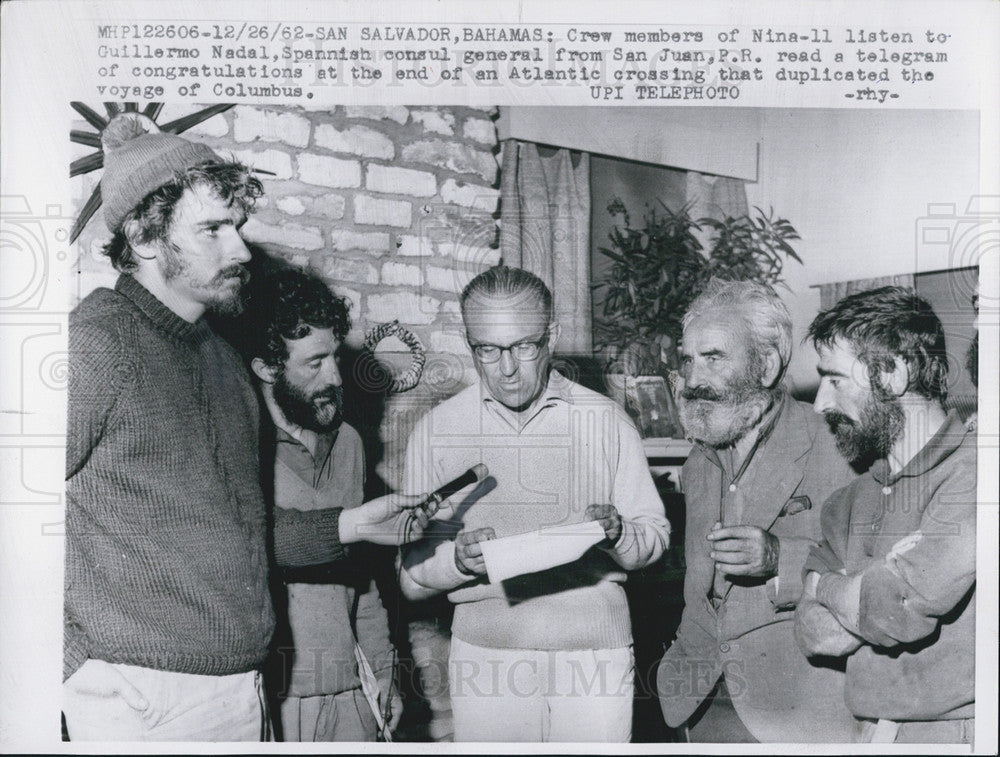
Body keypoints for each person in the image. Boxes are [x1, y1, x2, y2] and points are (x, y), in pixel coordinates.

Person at [63, 114, 439, 741]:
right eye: (212, 228)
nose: (239, 250)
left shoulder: (222, 361)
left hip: (240, 687)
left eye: (236, 226)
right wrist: (70, 665)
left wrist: (351, 525)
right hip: (137, 697)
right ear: (145, 236)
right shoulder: (96, 343)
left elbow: (248, 528)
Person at [398, 265, 670, 742]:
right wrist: (459, 563)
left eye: (524, 346)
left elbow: (655, 537)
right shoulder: (437, 431)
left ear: (552, 336)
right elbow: (411, 573)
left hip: (595, 657)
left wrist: (619, 533)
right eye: (487, 349)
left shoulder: (606, 420)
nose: (506, 369)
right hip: (487, 658)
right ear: (469, 343)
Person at [656, 278, 859, 743]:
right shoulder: (699, 459)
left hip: (799, 705)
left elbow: (875, 573)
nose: (692, 379)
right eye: (687, 359)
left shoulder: (837, 443)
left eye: (713, 358)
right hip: (701, 699)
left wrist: (778, 558)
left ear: (765, 365)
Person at [795, 286, 976, 744]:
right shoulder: (848, 501)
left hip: (957, 734)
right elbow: (815, 634)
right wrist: (865, 594)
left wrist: (822, 585)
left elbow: (897, 611)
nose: (821, 404)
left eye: (835, 380)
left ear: (894, 373)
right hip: (867, 733)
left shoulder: (975, 472)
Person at [245, 268, 403, 741]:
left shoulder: (350, 441)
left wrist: (384, 670)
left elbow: (362, 572)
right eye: (315, 363)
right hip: (275, 698)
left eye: (335, 356)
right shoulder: (242, 445)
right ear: (267, 368)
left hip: (353, 691)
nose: (336, 376)